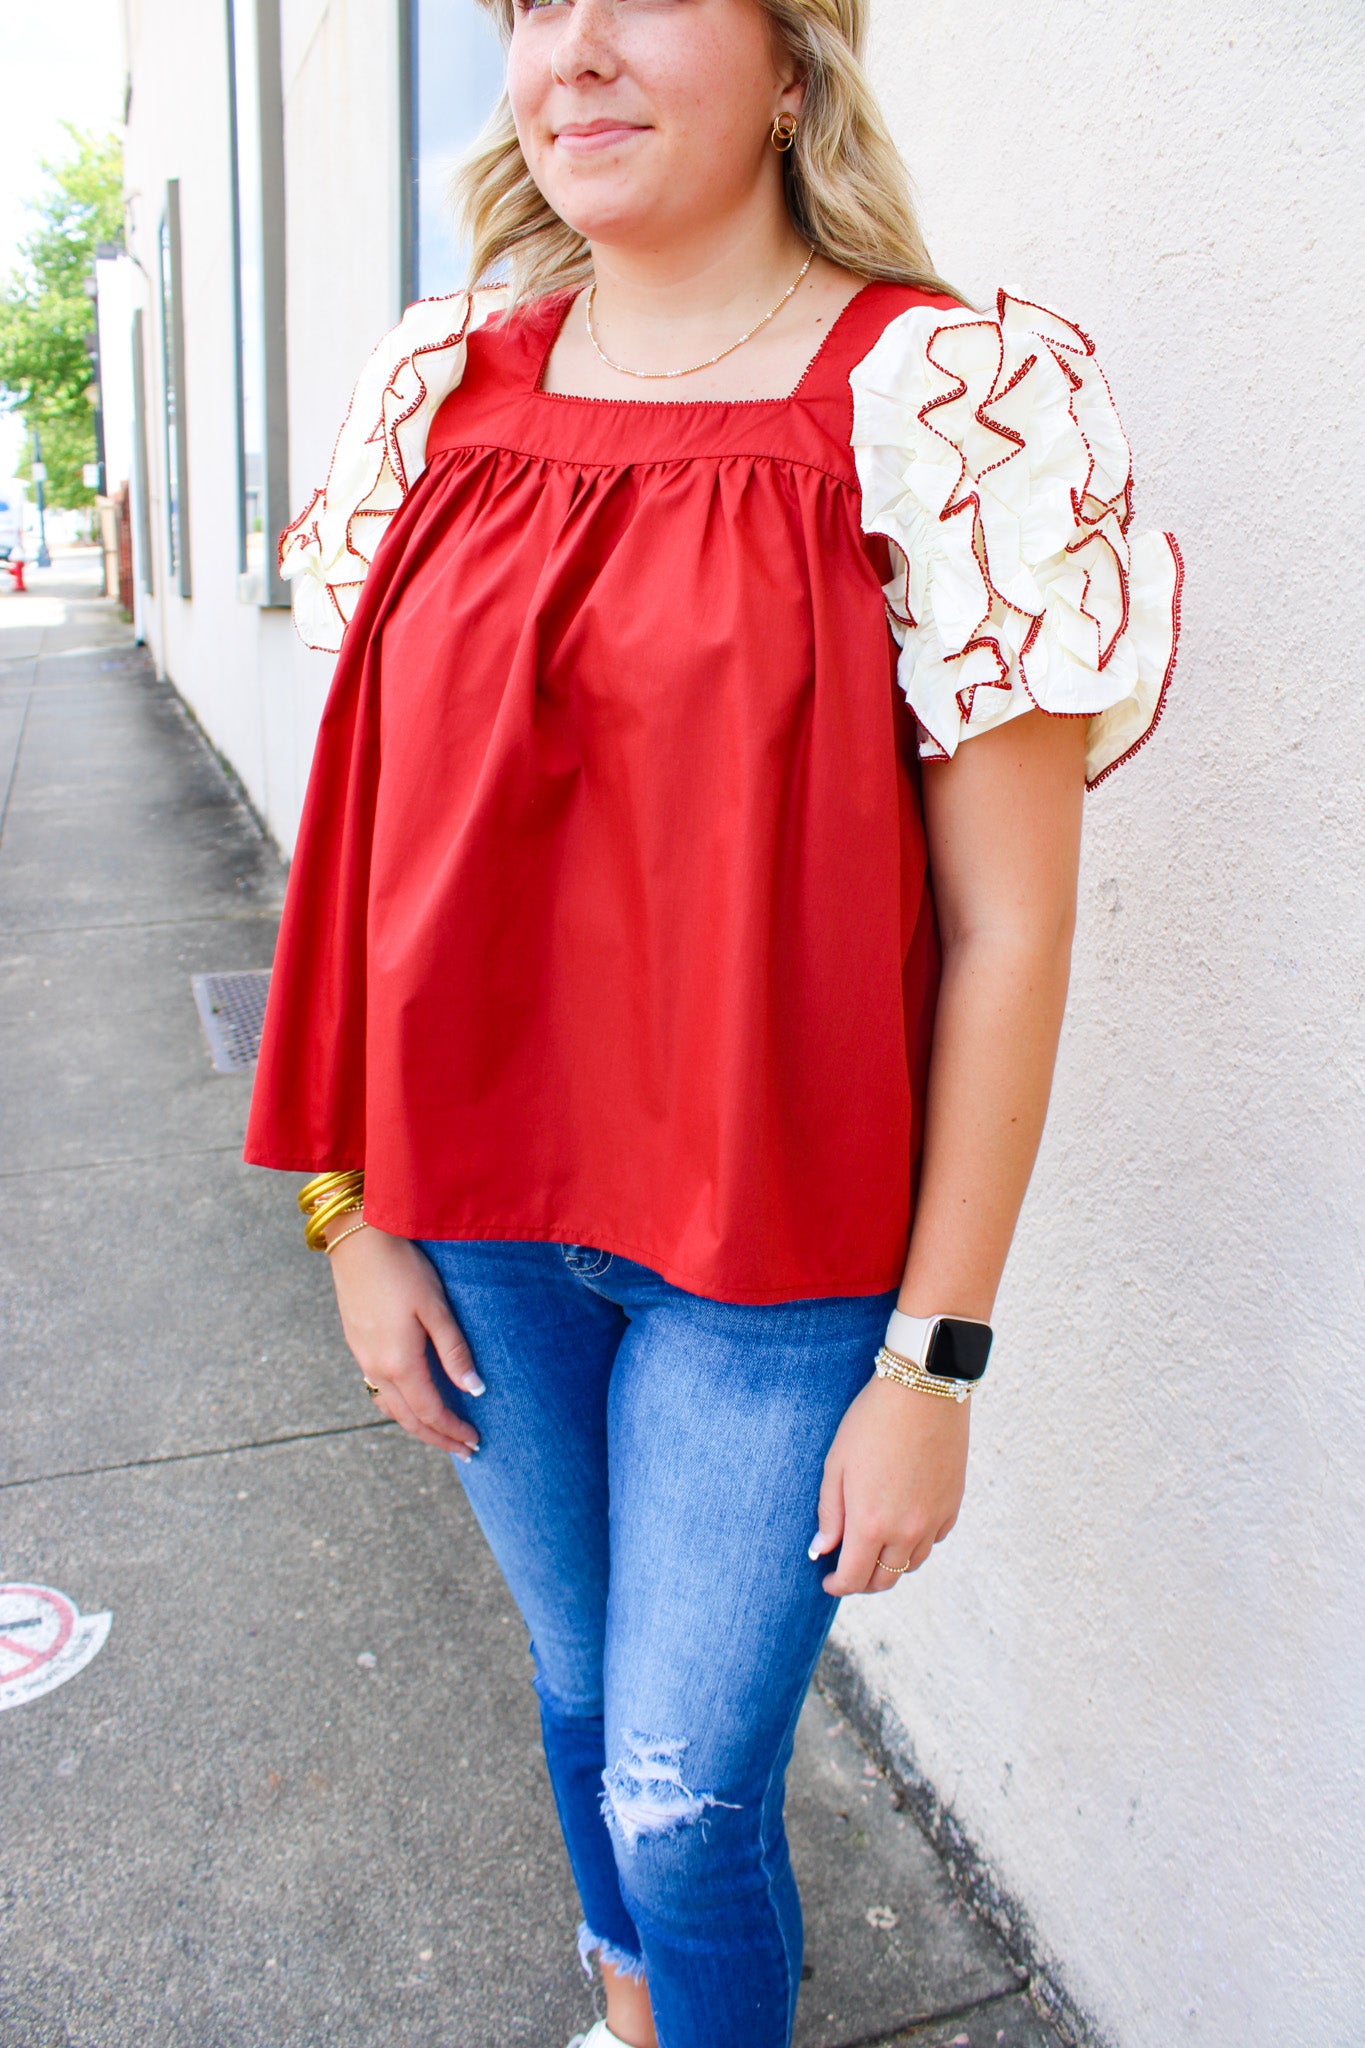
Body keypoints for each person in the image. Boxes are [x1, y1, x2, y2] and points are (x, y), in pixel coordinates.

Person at [245, 2, 1181, 2043]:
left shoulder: (945, 399)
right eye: (522, 3)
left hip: (777, 1279)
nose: (568, 46)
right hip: (475, 1229)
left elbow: (1004, 931)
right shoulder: (438, 388)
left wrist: (929, 1363)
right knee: (584, 1699)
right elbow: (364, 840)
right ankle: (631, 2016)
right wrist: (345, 1200)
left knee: (681, 1799)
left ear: (790, 58)